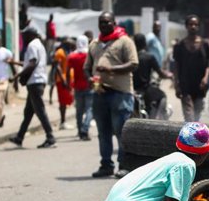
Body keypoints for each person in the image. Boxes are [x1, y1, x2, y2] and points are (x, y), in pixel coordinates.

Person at [85, 11, 138, 178]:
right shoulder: (94, 44)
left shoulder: (124, 41)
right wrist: (89, 79)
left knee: (121, 131)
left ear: (114, 23)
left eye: (107, 22)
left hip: (120, 94)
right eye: (101, 22)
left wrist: (110, 69)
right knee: (103, 131)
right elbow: (87, 67)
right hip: (100, 93)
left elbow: (133, 64)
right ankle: (106, 164)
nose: (104, 25)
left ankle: (124, 165)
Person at [8, 26, 57, 149]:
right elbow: (29, 63)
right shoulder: (38, 45)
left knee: (40, 111)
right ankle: (19, 137)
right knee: (28, 112)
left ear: (31, 35)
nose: (23, 37)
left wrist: (17, 77)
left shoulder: (32, 46)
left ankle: (50, 137)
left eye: (25, 35)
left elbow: (32, 63)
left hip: (35, 82)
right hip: (37, 82)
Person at [173, 15, 209, 122]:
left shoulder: (205, 45)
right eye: (191, 24)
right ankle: (189, 137)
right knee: (189, 115)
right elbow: (176, 66)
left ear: (198, 27)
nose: (193, 26)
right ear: (186, 26)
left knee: (197, 114)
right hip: (185, 84)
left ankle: (195, 137)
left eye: (195, 24)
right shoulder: (179, 46)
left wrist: (206, 78)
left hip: (200, 85)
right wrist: (176, 84)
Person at [133, 33, 171, 119]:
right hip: (145, 89)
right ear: (145, 43)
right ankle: (159, 117)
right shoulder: (149, 57)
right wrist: (169, 76)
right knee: (162, 96)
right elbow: (160, 73)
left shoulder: (131, 57)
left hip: (133, 89)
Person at [66, 35, 93, 141]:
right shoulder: (89, 55)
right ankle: (85, 129)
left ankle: (80, 130)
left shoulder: (72, 56)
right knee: (90, 109)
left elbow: (68, 72)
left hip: (77, 86)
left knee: (79, 110)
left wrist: (69, 85)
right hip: (89, 85)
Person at [53, 39, 74, 129]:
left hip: (69, 79)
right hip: (62, 81)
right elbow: (57, 67)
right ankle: (63, 122)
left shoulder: (68, 51)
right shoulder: (60, 52)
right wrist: (63, 79)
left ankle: (64, 121)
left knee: (67, 100)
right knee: (62, 102)